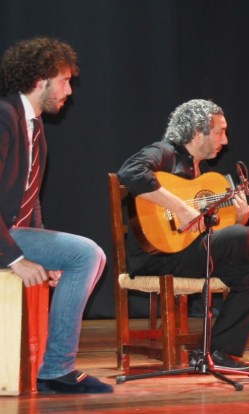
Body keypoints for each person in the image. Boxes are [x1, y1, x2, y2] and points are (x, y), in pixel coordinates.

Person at [117, 99, 249, 372]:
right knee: (242, 237)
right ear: (197, 133)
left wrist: (239, 218)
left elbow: (214, 232)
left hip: (191, 253)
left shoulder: (202, 175)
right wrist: (180, 207)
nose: (225, 141)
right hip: (157, 256)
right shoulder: (164, 153)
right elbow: (130, 172)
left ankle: (220, 352)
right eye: (220, 132)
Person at [0, 37, 113, 394]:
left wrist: (44, 254)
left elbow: (30, 199)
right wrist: (15, 258)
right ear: (40, 80)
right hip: (5, 238)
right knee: (87, 253)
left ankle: (55, 368)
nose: (69, 90)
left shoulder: (34, 126)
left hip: (14, 234)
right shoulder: (4, 117)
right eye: (64, 80)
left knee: (85, 256)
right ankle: (57, 370)